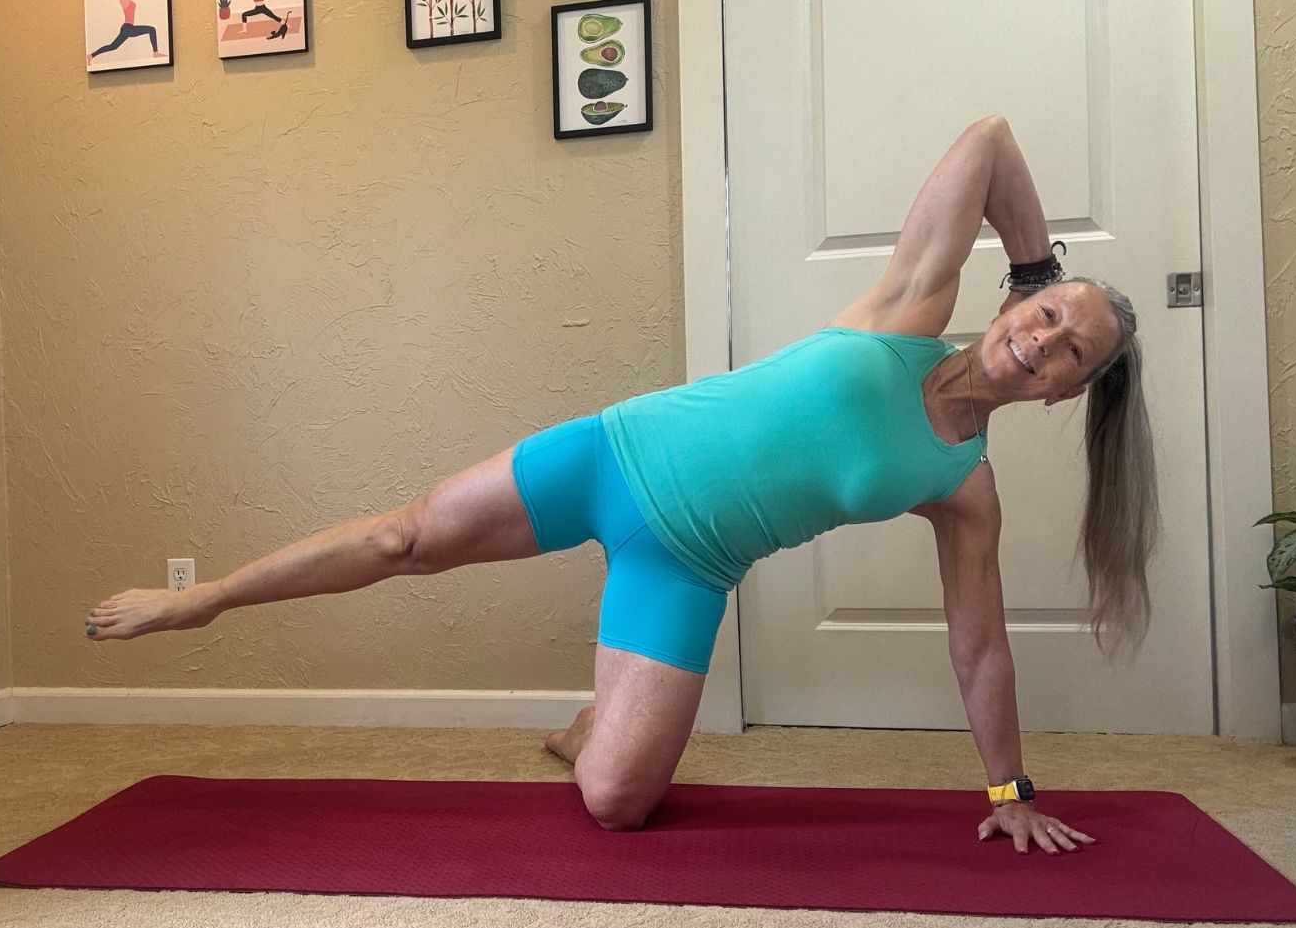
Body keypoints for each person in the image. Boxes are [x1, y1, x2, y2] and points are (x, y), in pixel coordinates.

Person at [84, 115, 1153, 855]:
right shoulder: (911, 311)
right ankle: (206, 598)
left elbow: (979, 647)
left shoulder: (964, 487)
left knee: (617, 805)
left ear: (1067, 397)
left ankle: (588, 725)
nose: (1042, 341)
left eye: (1070, 351)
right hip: (612, 456)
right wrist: (1031, 266)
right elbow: (990, 141)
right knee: (407, 537)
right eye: (1049, 312)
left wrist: (1009, 791)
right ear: (1027, 298)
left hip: (687, 567)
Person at [88, 0, 163, 66]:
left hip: (128, 28)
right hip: (128, 28)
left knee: (113, 46)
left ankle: (91, 56)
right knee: (151, 29)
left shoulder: (127, 0)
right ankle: (155, 53)